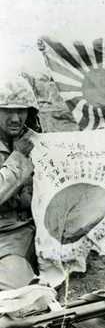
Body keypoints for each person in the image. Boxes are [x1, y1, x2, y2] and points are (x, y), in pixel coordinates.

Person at [0, 77, 41, 290]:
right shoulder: (22, 149)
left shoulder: (33, 141)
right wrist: (18, 158)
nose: (16, 118)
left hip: (25, 231)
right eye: (7, 111)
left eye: (22, 110)